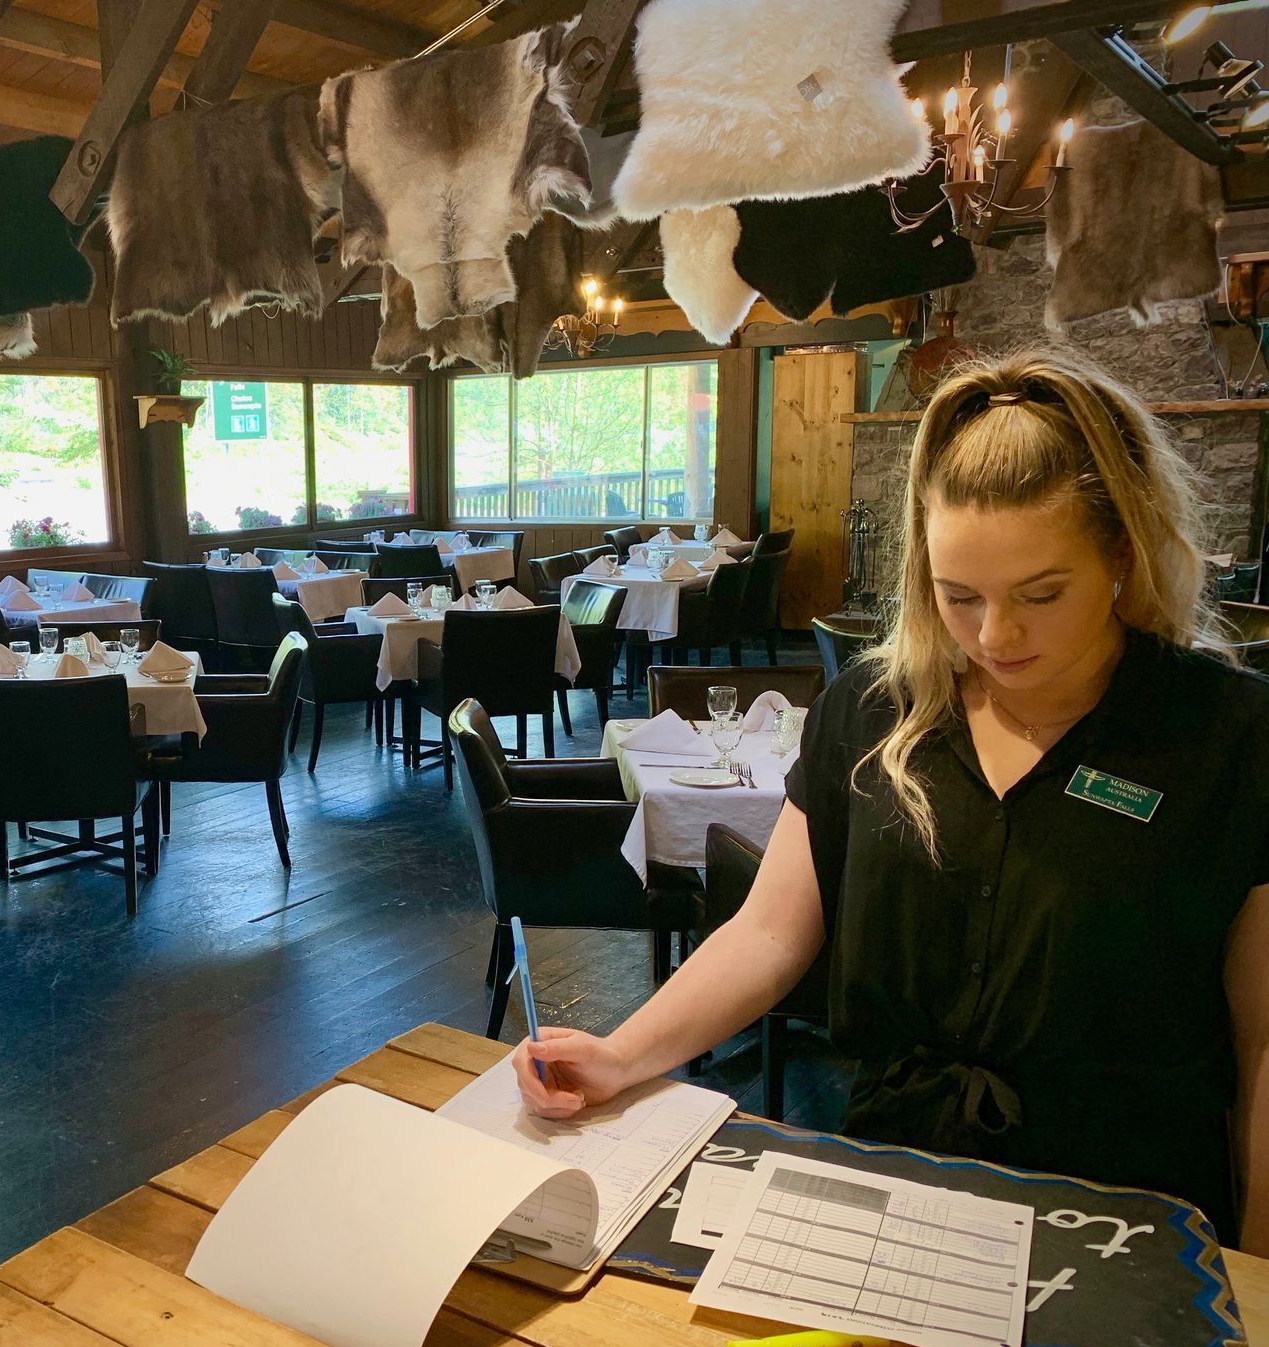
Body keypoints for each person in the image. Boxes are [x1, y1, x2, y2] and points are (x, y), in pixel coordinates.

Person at [513, 350, 1269, 1248]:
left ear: (1121, 551)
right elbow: (768, 932)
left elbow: (1262, 1041)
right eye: (961, 597)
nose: (998, 635)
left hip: (1120, 1214)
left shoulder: (1225, 734)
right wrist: (621, 1054)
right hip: (894, 1184)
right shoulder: (871, 710)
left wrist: (1257, 1269)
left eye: (1042, 593)